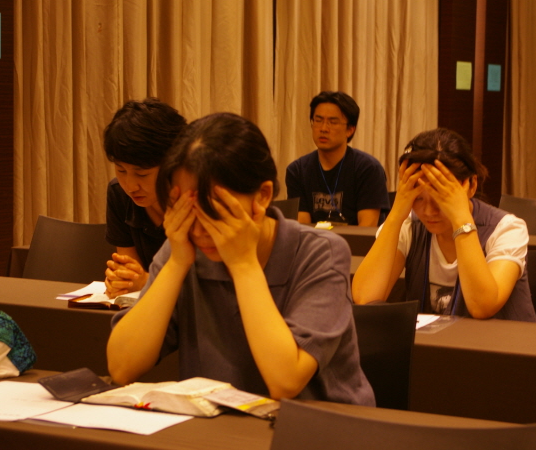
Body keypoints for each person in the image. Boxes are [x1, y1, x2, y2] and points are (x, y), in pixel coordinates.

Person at [107, 112, 375, 405]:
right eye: (183, 209)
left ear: (263, 195)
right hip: (219, 425)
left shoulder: (320, 252)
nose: (198, 229)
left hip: (319, 424)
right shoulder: (183, 248)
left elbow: (285, 381)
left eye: (214, 210)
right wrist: (176, 264)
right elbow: (122, 366)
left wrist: (243, 264)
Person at [352, 128, 536, 321]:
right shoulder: (409, 226)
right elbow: (365, 298)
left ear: (471, 185)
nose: (429, 211)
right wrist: (396, 214)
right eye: (418, 199)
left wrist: (461, 219)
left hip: (499, 340)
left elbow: (482, 307)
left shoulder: (507, 228)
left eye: (441, 198)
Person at [103, 98, 187, 297]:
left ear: (173, 163)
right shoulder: (119, 194)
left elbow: (208, 288)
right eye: (121, 170)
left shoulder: (195, 199)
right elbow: (130, 272)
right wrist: (121, 280)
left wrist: (145, 281)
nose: (130, 186)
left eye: (142, 174)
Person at [285, 91, 390, 226]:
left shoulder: (368, 169)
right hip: (314, 240)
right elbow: (302, 228)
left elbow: (367, 229)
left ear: (350, 130)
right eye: (318, 120)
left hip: (357, 240)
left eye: (333, 122)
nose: (323, 128)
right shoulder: (297, 170)